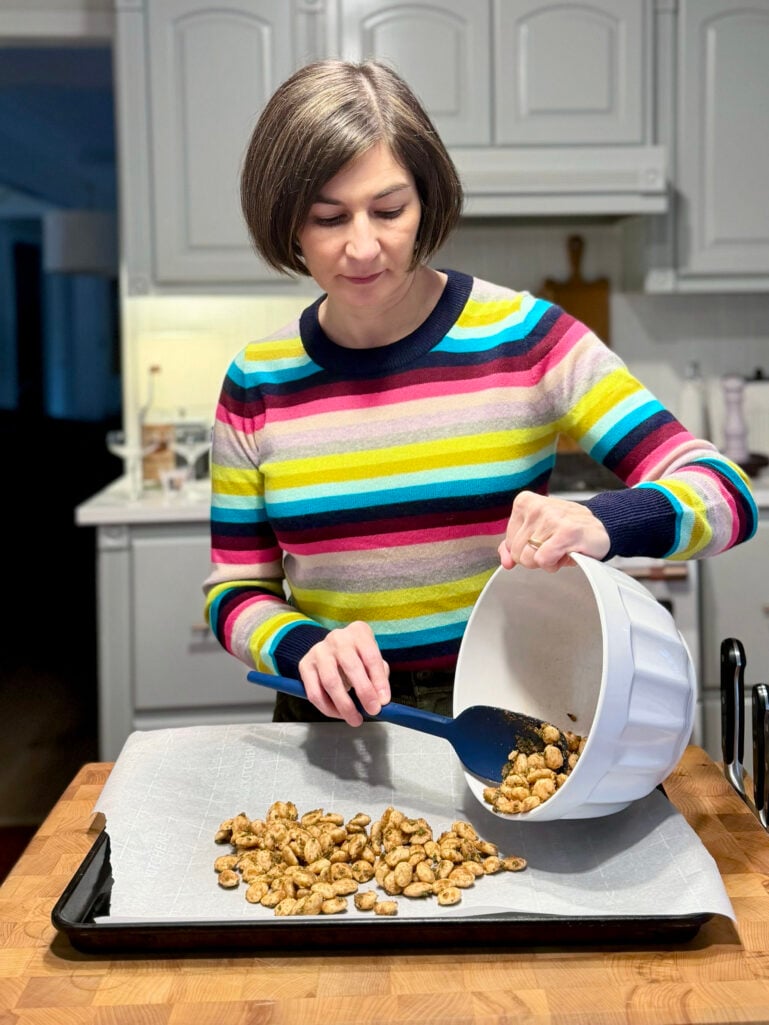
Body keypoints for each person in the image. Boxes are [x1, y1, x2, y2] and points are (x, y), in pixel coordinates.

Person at [203, 58, 757, 728]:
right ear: (287, 223)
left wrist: (603, 521)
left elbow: (727, 493)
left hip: (507, 707)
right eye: (327, 217)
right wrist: (300, 645)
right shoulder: (255, 382)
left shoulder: (526, 336)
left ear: (425, 202)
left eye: (388, 210)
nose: (362, 245)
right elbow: (234, 589)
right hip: (331, 729)